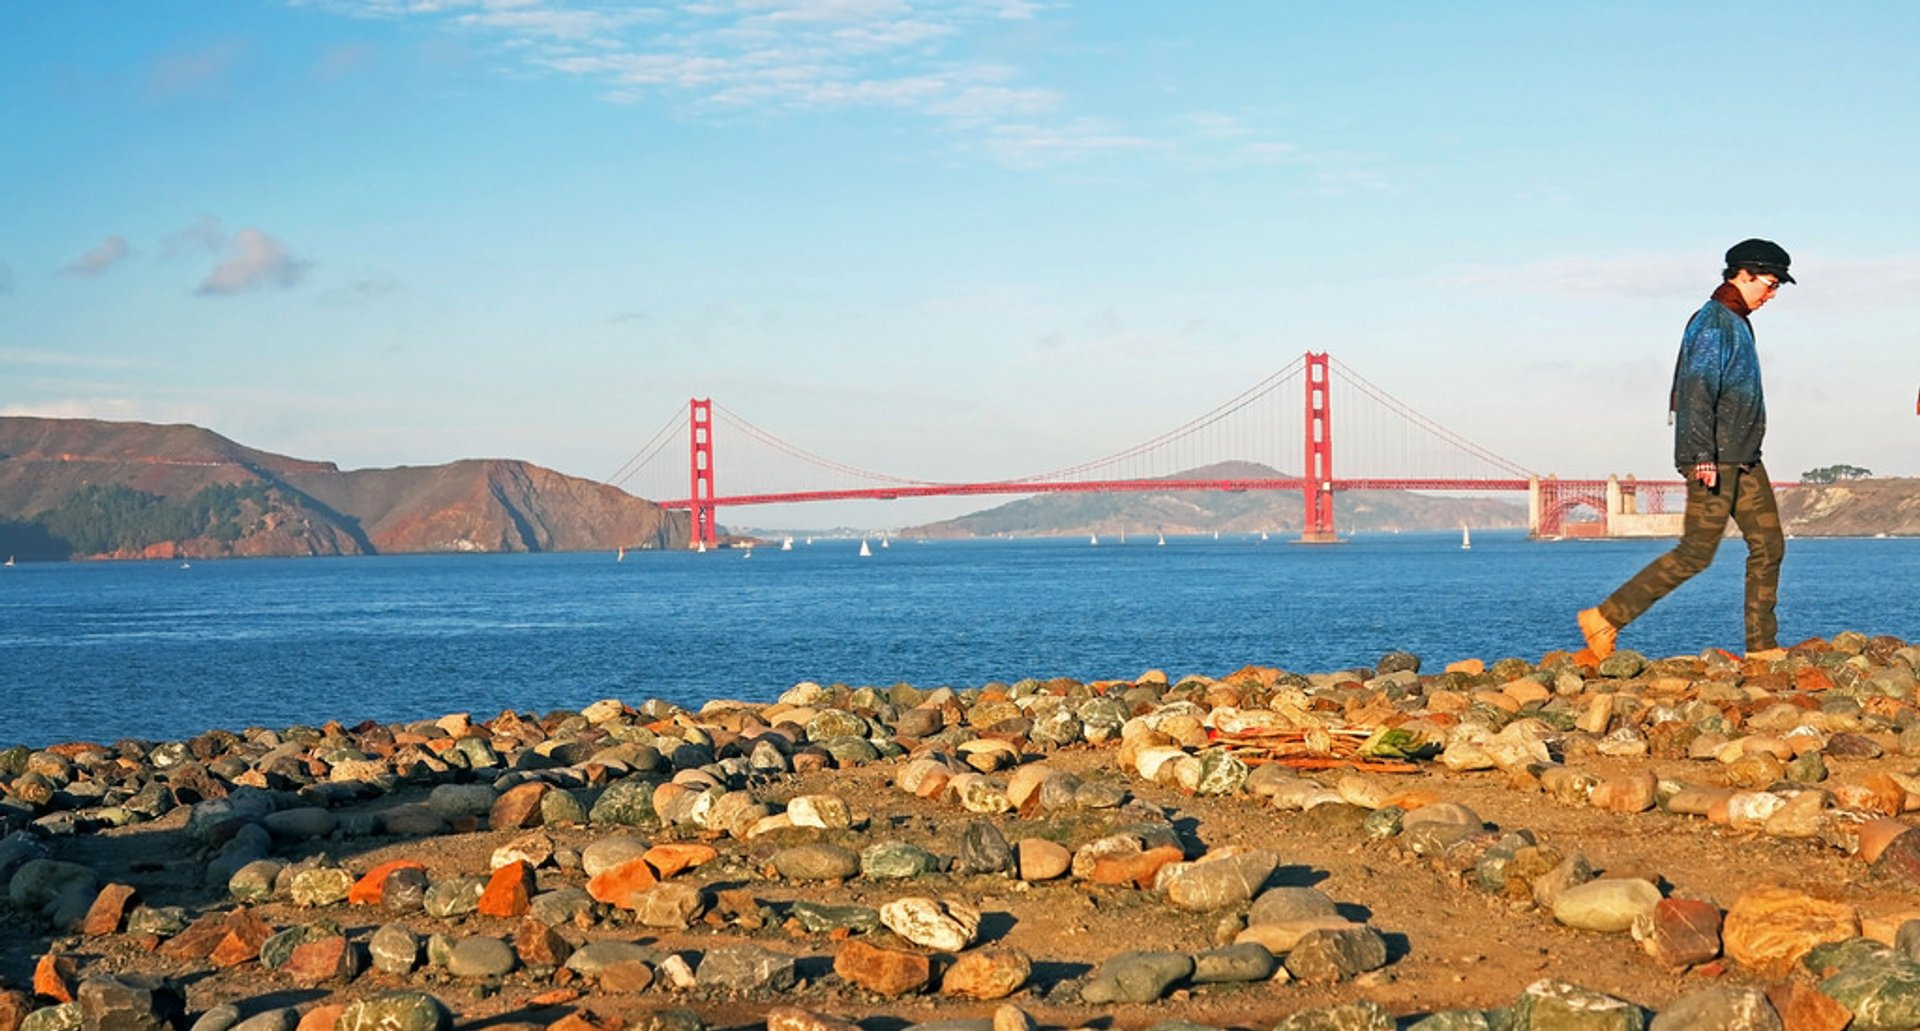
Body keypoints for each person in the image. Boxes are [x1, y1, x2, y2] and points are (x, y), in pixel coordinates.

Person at [1577, 238, 1794, 662]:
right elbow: (1696, 391)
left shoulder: (1737, 320)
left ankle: (1763, 649)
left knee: (1770, 546)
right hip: (1716, 459)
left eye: (1777, 287)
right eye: (1769, 284)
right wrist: (1700, 457)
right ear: (1744, 275)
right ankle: (1604, 618)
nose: (1772, 294)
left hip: (1746, 457)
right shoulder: (1713, 323)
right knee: (1696, 552)